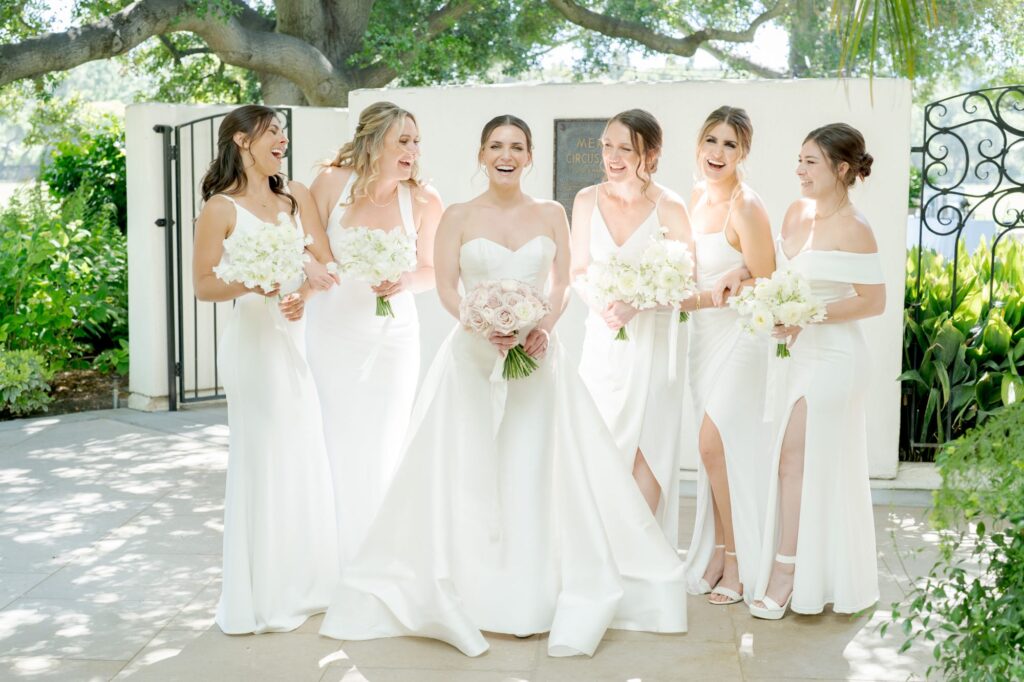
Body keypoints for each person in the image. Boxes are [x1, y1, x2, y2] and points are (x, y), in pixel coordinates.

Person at [319, 114, 687, 657]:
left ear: (530, 157)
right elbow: (444, 286)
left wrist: (542, 327)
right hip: (471, 359)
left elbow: (563, 283)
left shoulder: (551, 213)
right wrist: (475, 320)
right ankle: (471, 588)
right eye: (496, 146)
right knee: (471, 469)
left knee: (530, 468)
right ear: (482, 155)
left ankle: (534, 590)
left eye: (516, 146)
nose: (506, 155)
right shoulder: (460, 216)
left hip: (538, 362)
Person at [192, 105, 338, 634]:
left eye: (283, 131)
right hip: (252, 342)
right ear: (241, 140)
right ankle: (264, 589)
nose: (281, 138)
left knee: (301, 450)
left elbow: (324, 259)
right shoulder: (220, 209)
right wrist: (251, 284)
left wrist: (301, 288)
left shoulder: (296, 195)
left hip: (294, 338)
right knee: (263, 453)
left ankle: (307, 579)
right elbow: (204, 284)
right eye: (271, 130)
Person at [751, 123, 884, 619]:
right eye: (799, 159)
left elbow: (873, 301)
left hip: (836, 358)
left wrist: (807, 316)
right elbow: (774, 274)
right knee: (799, 462)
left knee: (793, 458)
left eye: (811, 161)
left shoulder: (856, 226)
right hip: (795, 352)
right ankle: (813, 569)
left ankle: (787, 574)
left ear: (842, 169)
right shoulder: (794, 211)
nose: (800, 169)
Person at [306, 101, 442, 564]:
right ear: (373, 142)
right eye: (403, 141)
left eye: (416, 141)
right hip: (332, 331)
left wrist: (403, 281)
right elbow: (304, 246)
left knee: (385, 437)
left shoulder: (424, 200)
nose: (413, 150)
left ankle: (379, 550)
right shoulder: (330, 184)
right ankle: (332, 548)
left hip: (393, 338)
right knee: (335, 434)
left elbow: (432, 271)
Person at [571, 109, 692, 547]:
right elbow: (578, 270)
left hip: (655, 340)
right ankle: (601, 551)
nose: (613, 156)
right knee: (600, 444)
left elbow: (686, 281)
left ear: (651, 154)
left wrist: (638, 303)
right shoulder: (586, 200)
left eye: (626, 148)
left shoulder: (670, 206)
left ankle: (638, 554)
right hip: (603, 340)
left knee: (649, 445)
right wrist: (602, 302)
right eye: (608, 145)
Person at [681, 105, 775, 605]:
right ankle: (718, 551)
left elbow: (769, 282)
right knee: (711, 452)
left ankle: (739, 564)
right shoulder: (695, 198)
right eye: (711, 141)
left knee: (717, 444)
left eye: (730, 145)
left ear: (744, 153)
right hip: (703, 336)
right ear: (699, 143)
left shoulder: (747, 206)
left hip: (741, 336)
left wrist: (741, 276)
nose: (718, 153)